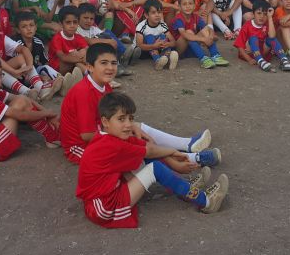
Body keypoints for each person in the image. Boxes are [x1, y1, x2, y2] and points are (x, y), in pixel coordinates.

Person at [76, 91, 228, 228]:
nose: (128, 124)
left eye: (130, 118)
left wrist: (174, 161)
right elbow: (150, 151)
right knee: (154, 167)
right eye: (121, 119)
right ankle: (206, 202)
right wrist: (173, 153)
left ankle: (185, 188)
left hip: (105, 195)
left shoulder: (110, 136)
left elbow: (147, 148)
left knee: (146, 159)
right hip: (104, 207)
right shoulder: (110, 145)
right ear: (105, 121)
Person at [59, 43, 215, 166]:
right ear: (89, 67)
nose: (110, 68)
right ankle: (191, 158)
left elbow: (112, 116)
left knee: (136, 128)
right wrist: (123, 134)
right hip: (79, 148)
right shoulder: (83, 92)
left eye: (114, 63)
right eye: (104, 63)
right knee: (135, 148)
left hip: (99, 130)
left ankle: (187, 144)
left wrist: (131, 127)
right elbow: (86, 135)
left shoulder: (103, 84)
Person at [0, 55, 60, 162]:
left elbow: (22, 98)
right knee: (21, 105)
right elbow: (21, 115)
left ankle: (52, 136)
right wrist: (48, 114)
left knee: (22, 100)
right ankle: (52, 136)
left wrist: (49, 114)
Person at [14, 11, 67, 98]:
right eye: (24, 26)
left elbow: (45, 62)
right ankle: (54, 86)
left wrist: (45, 75)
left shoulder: (38, 42)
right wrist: (40, 76)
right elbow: (21, 69)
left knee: (45, 68)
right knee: (40, 77)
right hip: (22, 75)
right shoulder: (17, 44)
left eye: (31, 25)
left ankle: (61, 82)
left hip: (36, 71)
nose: (28, 29)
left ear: (36, 27)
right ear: (18, 30)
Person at [172, 0, 230, 69]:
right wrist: (204, 39)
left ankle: (215, 55)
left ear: (194, 6)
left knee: (206, 29)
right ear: (179, 6)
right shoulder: (178, 18)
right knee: (189, 32)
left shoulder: (196, 17)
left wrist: (211, 36)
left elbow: (208, 28)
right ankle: (203, 58)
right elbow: (184, 35)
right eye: (184, 4)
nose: (188, 6)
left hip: (193, 49)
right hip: (180, 51)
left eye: (190, 3)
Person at [75, 2, 133, 78]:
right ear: (78, 18)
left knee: (107, 33)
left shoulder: (93, 28)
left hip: (98, 51)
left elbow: (105, 35)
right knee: (108, 39)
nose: (89, 21)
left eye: (91, 19)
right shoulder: (76, 29)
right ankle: (121, 58)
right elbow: (88, 41)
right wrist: (108, 41)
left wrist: (108, 40)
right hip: (88, 54)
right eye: (85, 18)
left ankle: (121, 58)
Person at [233, 0, 290, 72]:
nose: (262, 16)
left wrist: (270, 18)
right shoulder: (247, 25)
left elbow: (272, 36)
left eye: (265, 14)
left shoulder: (267, 23)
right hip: (250, 53)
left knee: (272, 39)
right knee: (253, 38)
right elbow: (239, 45)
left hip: (263, 52)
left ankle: (284, 59)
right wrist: (249, 59)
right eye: (259, 13)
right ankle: (261, 61)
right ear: (253, 14)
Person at [134, 0, 180, 71]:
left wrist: (167, 44)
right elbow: (139, 45)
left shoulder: (163, 25)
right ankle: (157, 61)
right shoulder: (141, 26)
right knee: (150, 37)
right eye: (153, 13)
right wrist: (153, 46)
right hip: (144, 51)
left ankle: (167, 60)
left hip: (158, 49)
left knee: (163, 36)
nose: (157, 15)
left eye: (159, 12)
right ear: (146, 15)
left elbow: (173, 42)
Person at [48, 6, 90, 76]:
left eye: (75, 22)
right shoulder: (57, 38)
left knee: (83, 52)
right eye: (68, 22)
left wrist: (80, 57)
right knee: (75, 55)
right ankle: (91, 76)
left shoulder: (78, 37)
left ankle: (89, 75)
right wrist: (80, 59)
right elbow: (62, 57)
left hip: (74, 65)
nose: (72, 25)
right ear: (61, 24)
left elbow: (87, 51)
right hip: (57, 69)